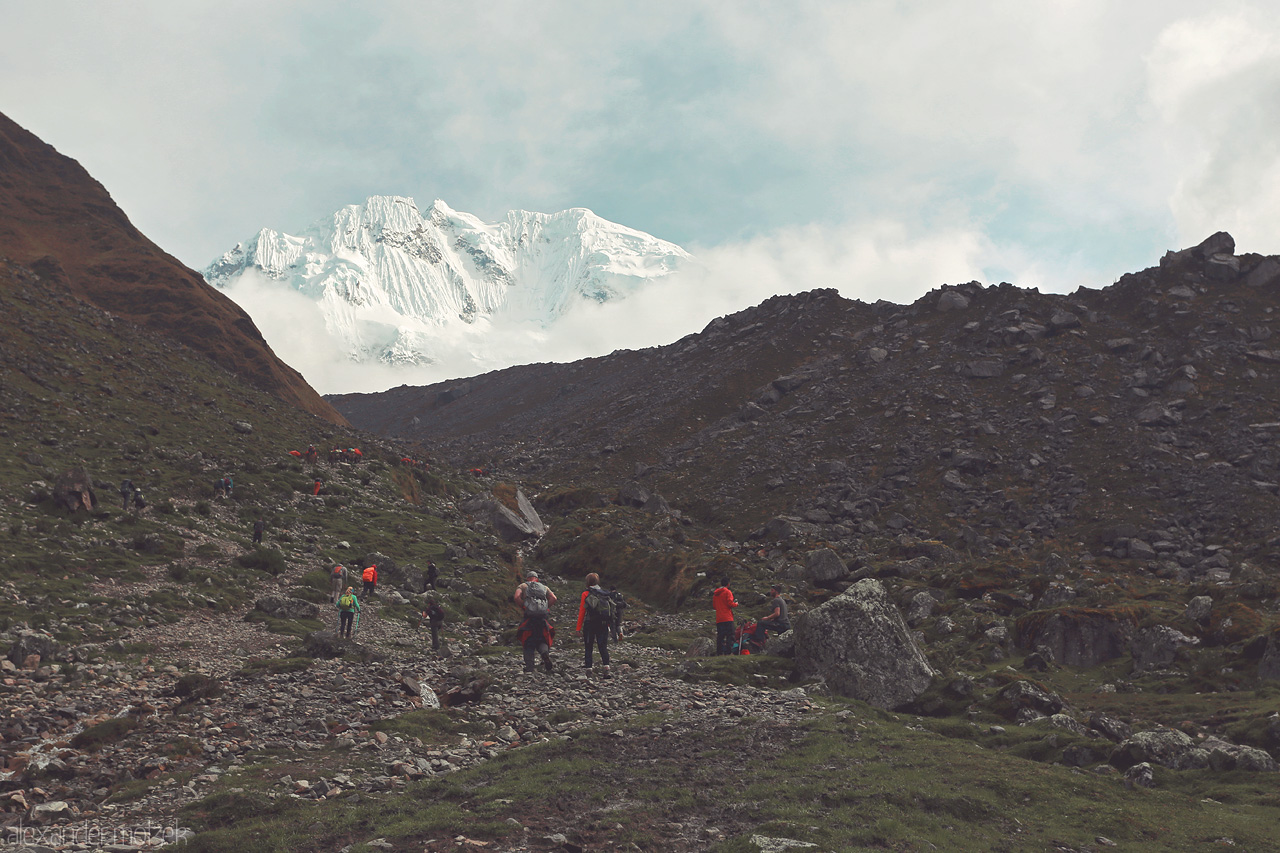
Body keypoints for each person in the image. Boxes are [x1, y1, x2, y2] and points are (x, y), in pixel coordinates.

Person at [514, 571, 557, 673]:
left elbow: (516, 597)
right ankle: (544, 653)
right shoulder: (544, 587)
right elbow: (554, 598)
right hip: (542, 619)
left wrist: (524, 607)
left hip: (529, 619)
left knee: (528, 641)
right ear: (536, 579)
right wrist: (545, 608)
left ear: (527, 578)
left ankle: (530, 668)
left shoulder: (523, 586)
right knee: (542, 639)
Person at [576, 572, 615, 677]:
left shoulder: (586, 594)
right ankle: (606, 668)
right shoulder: (604, 593)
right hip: (603, 624)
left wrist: (578, 628)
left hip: (590, 624)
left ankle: (589, 670)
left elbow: (582, 612)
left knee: (589, 646)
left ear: (587, 582)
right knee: (603, 646)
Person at [713, 576, 738, 655]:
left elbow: (714, 606)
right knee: (730, 635)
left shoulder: (715, 594)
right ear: (728, 584)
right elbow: (730, 603)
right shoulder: (727, 592)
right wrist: (736, 604)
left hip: (719, 618)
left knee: (720, 636)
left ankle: (719, 652)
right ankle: (728, 652)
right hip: (727, 617)